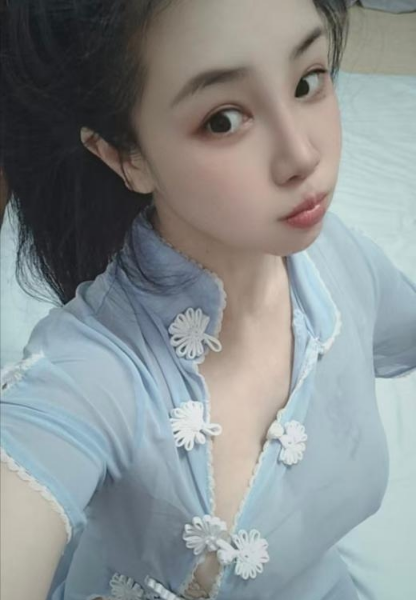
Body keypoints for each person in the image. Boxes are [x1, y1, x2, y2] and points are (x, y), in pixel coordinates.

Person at [1, 1, 415, 599]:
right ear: (124, 156)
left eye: (308, 81)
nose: (302, 155)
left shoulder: (338, 260)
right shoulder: (95, 372)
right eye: (223, 120)